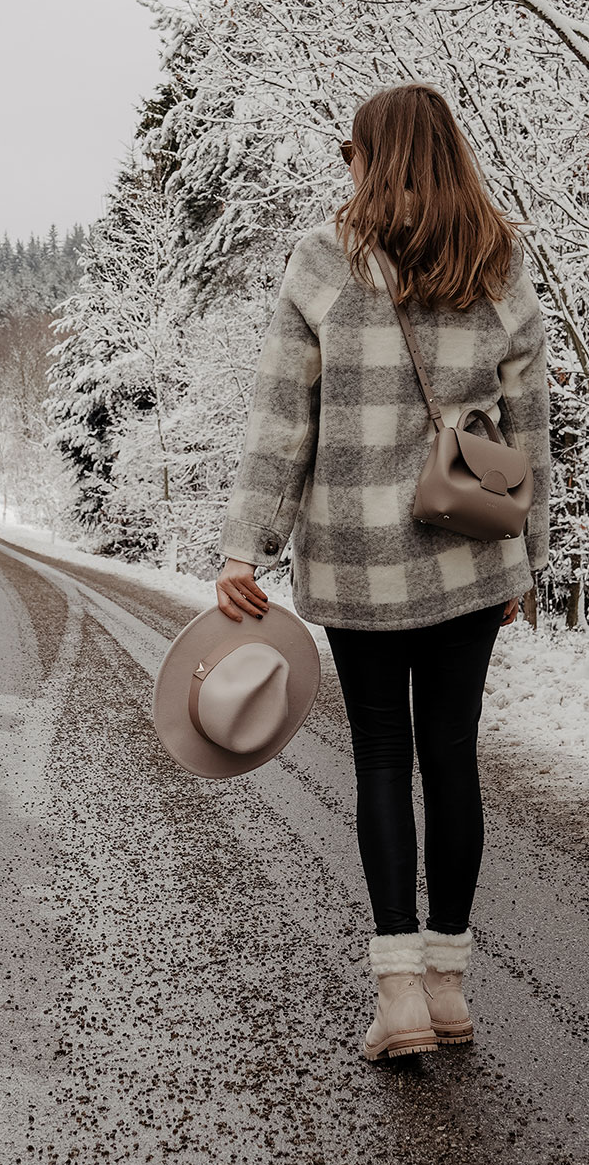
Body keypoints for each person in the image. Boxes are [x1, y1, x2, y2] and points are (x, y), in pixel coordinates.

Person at [215, 83, 550, 1061]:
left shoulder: (323, 261)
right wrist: (526, 556)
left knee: (378, 758)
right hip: (469, 545)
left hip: (358, 555)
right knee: (450, 757)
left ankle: (398, 996)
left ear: (370, 154)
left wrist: (247, 546)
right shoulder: (495, 261)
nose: (343, 165)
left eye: (348, 149)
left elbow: (282, 420)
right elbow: (527, 428)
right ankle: (447, 986)